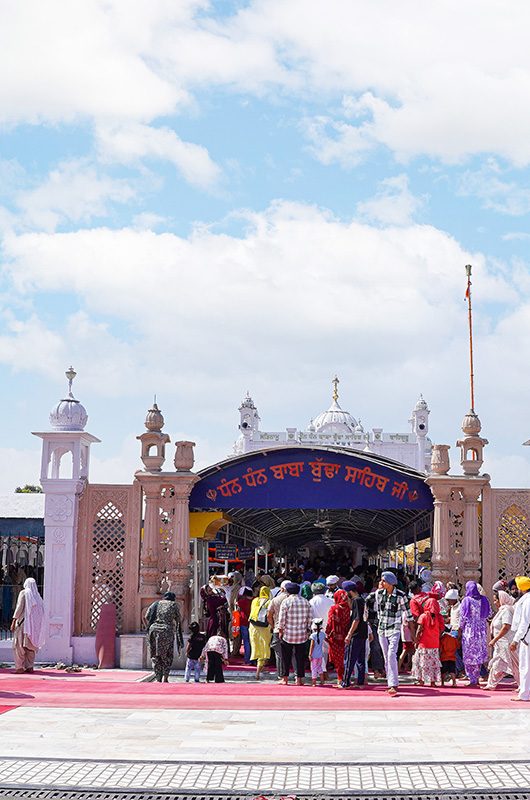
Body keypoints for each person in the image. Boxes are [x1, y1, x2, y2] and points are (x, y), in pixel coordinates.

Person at [373, 571, 413, 696]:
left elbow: (409, 614)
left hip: (394, 628)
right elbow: (378, 610)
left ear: (390, 582)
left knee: (391, 654)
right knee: (386, 656)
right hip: (382, 628)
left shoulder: (401, 596)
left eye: (383, 581)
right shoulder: (378, 594)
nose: (381, 583)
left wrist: (413, 634)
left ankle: (393, 683)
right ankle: (390, 682)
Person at [483, 590, 519, 690]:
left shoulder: (507, 610)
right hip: (500, 644)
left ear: (501, 599)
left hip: (506, 642)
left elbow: (506, 626)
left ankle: (523, 686)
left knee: (514, 664)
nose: (495, 602)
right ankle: (491, 684)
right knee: (496, 664)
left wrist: (495, 639)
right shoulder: (502, 610)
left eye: (495, 600)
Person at [145, 592, 184, 683]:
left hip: (153, 631)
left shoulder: (155, 604)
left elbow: (147, 616)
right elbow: (178, 620)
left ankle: (158, 678)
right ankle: (165, 677)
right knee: (167, 655)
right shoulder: (173, 605)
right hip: (167, 631)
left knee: (155, 655)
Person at [278, 582, 312, 685]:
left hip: (288, 634)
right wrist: (308, 630)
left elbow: (282, 618)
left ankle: (285, 678)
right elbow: (310, 619)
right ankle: (299, 679)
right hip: (301, 634)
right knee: (300, 658)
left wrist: (280, 630)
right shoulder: (306, 602)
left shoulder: (286, 602)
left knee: (286, 657)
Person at [459, 580, 491, 686]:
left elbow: (462, 618)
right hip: (481, 632)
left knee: (469, 655)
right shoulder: (484, 600)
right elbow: (489, 614)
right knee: (478, 655)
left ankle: (472, 678)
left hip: (469, 632)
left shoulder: (466, 600)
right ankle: (476, 677)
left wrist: (460, 629)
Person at [11, 577, 45, 674]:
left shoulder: (24, 593)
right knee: (30, 646)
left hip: (22, 624)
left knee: (19, 646)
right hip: (33, 626)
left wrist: (13, 621)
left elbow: (19, 608)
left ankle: (19, 667)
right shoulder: (38, 596)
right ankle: (29, 666)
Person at [412, 598, 445, 686]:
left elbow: (419, 630)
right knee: (433, 663)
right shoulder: (439, 617)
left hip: (423, 643)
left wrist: (416, 640)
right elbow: (442, 629)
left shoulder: (423, 616)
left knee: (422, 662)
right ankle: (432, 682)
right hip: (434, 644)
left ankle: (421, 680)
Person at [342, 583, 368, 688]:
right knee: (361, 660)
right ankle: (360, 682)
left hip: (356, 634)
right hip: (363, 633)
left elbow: (356, 619)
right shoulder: (361, 600)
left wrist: (349, 634)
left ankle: (346, 682)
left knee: (349, 659)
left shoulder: (357, 601)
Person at [510, 575, 530, 702]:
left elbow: (525, 622)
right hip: (526, 636)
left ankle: (524, 694)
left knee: (525, 666)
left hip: (526, 638)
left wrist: (515, 640)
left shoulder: (527, 601)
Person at [326, 589, 351, 686]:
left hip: (335, 638)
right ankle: (344, 678)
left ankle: (340, 679)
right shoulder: (349, 609)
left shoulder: (334, 608)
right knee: (345, 658)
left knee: (338, 660)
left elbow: (329, 623)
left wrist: (327, 633)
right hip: (346, 637)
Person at [249, 586, 272, 680]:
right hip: (264, 628)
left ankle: (260, 668)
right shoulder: (270, 602)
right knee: (264, 648)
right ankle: (258, 671)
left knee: (257, 647)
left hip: (253, 627)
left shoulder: (255, 600)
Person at [268, 581, 288, 679]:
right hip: (291, 629)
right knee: (292, 653)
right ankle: (296, 674)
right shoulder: (293, 599)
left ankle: (281, 674)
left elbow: (269, 615)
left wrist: (272, 626)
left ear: (282, 589)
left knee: (279, 654)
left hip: (277, 628)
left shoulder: (275, 600)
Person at [237, 587, 253, 664]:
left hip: (244, 622)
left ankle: (247, 660)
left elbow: (237, 608)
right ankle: (253, 659)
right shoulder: (255, 600)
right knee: (252, 641)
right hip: (253, 623)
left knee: (246, 641)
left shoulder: (241, 602)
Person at [309, 618, 326, 686]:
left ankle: (314, 682)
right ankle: (322, 681)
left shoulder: (313, 635)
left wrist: (310, 654)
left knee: (313, 668)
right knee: (319, 667)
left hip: (314, 655)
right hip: (320, 655)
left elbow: (312, 645)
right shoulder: (323, 634)